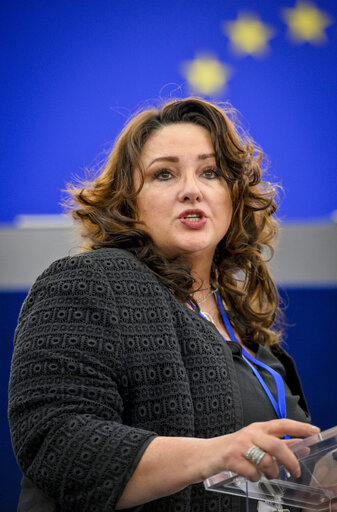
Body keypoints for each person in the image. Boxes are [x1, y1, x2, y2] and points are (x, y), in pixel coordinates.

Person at [8, 97, 318, 512]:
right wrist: (211, 454)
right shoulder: (87, 282)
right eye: (164, 174)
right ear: (129, 203)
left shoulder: (246, 328)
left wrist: (318, 487)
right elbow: (54, 440)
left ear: (233, 196)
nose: (192, 190)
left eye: (210, 172)